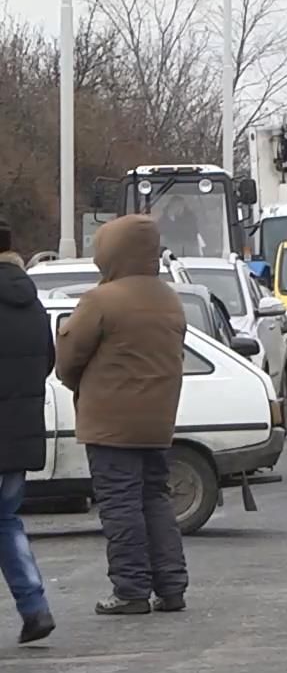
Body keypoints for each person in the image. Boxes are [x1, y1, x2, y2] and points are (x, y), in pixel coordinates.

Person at [53, 216, 188, 616]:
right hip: (158, 419)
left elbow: (68, 359)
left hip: (111, 422)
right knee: (156, 499)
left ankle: (130, 590)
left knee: (120, 504)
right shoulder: (169, 298)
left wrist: (78, 382)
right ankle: (172, 586)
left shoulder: (102, 300)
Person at [0, 221, 56, 643]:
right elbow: (46, 362)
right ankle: (35, 607)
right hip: (20, 433)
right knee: (7, 521)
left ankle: (36, 608)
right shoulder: (32, 303)